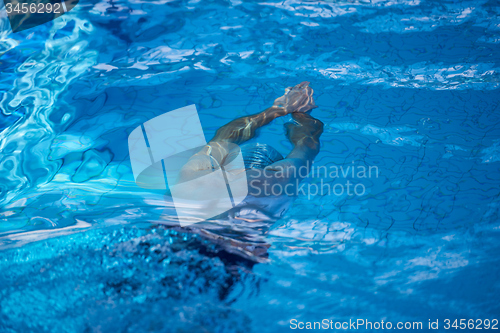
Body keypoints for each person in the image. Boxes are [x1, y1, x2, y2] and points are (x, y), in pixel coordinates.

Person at [176, 81, 324, 224]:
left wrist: (278, 108)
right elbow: (306, 144)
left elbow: (224, 138)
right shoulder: (276, 183)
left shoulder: (192, 180)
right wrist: (302, 114)